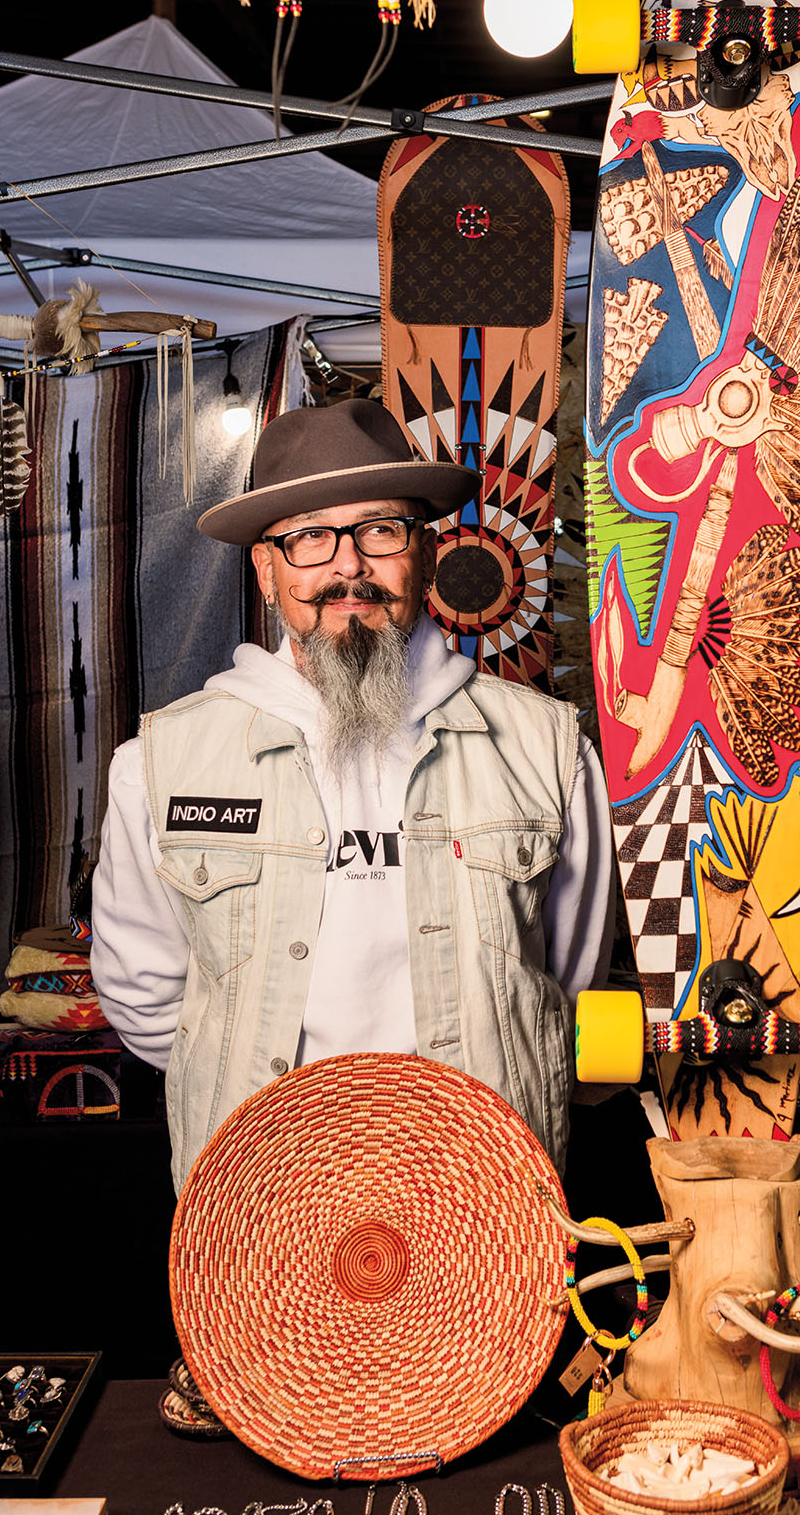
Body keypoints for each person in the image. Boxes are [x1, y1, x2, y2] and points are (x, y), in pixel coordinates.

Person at [91, 398, 616, 1191]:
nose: (348, 568)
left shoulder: (547, 750)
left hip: (482, 1193)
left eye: (379, 530)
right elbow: (147, 1000)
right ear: (267, 571)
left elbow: (564, 987)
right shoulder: (161, 764)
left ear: (426, 554)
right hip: (266, 1194)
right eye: (308, 537)